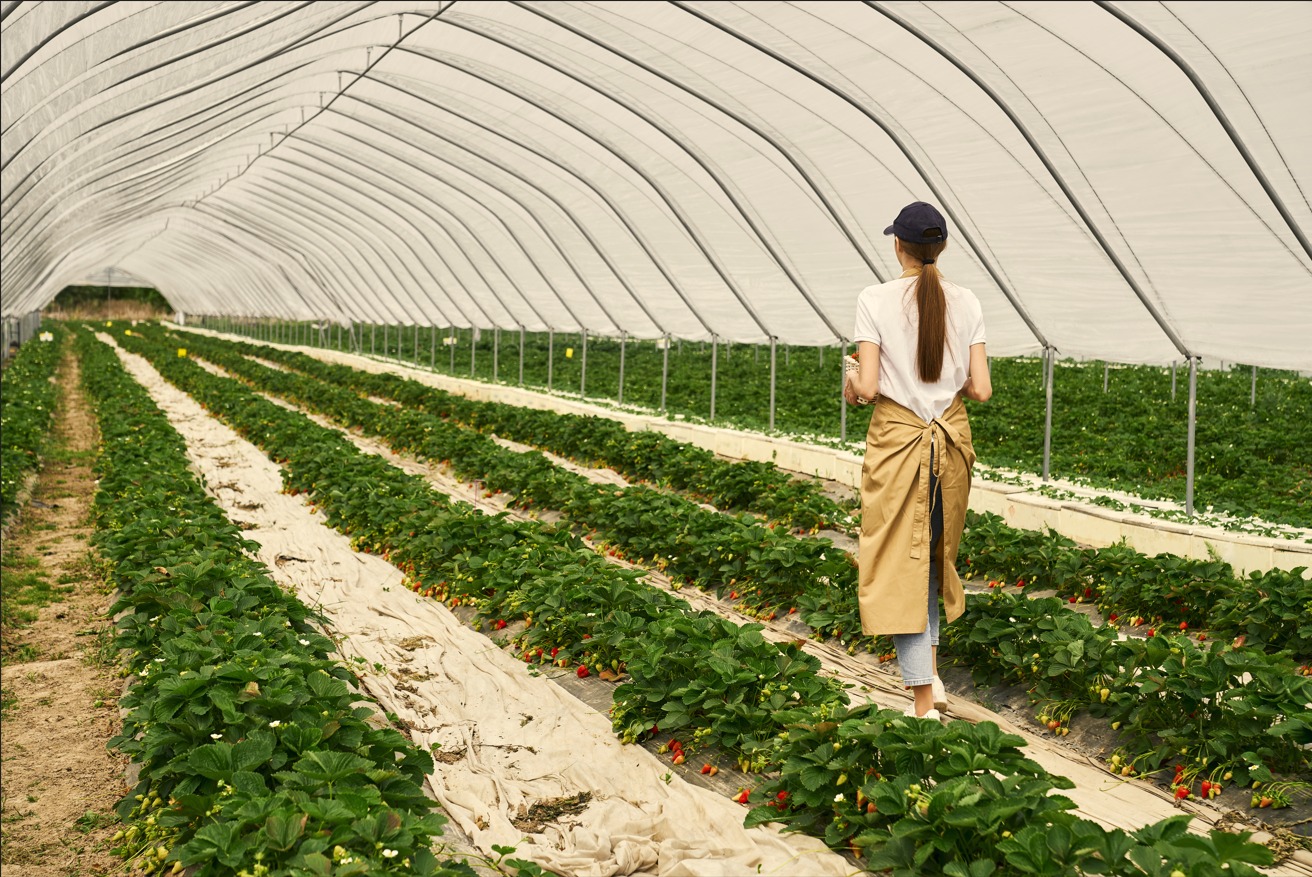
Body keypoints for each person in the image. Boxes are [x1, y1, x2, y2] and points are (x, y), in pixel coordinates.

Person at [844, 201, 992, 720]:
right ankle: (932, 676)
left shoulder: (875, 298)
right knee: (932, 558)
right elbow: (982, 390)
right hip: (950, 440)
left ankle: (923, 704)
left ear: (897, 246)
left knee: (899, 563)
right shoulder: (968, 300)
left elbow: (865, 386)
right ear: (943, 247)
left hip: (899, 440)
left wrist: (851, 384)